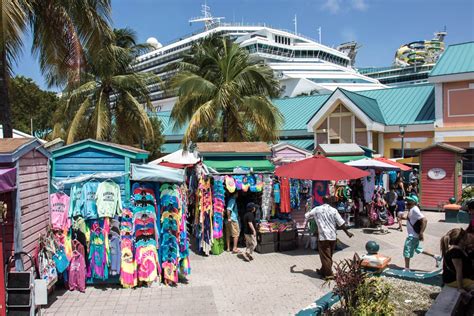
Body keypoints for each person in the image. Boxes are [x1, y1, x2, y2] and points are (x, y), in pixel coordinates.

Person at [305, 196, 354, 279]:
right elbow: (341, 223)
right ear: (330, 201)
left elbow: (307, 216)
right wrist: (347, 233)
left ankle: (328, 274)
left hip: (323, 237)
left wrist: (310, 212)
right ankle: (323, 270)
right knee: (329, 255)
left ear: (323, 200)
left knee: (325, 256)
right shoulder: (333, 210)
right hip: (332, 237)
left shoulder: (317, 209)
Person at [400, 195, 442, 270]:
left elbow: (424, 220)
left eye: (409, 203)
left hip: (412, 236)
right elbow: (411, 218)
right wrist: (403, 217)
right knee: (418, 249)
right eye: (407, 203)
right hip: (414, 235)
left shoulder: (415, 209)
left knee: (407, 251)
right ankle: (436, 256)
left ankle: (407, 269)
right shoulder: (412, 209)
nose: (407, 204)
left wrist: (421, 233)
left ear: (414, 203)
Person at [440, 228, 474, 294]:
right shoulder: (455, 253)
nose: (469, 237)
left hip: (464, 277)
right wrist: (460, 288)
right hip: (453, 280)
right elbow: (459, 272)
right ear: (461, 240)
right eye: (467, 237)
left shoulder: (462, 248)